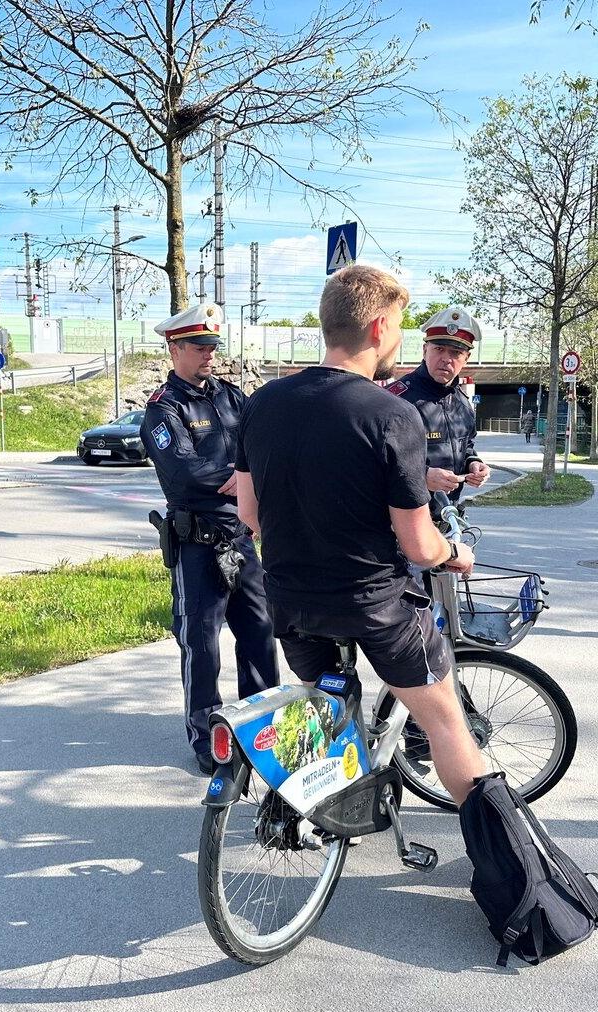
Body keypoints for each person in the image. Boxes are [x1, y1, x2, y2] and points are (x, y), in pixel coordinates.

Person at [235, 266, 485, 806]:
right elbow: (419, 546)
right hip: (372, 603)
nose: (398, 337)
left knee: (325, 706)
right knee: (445, 723)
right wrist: (453, 553)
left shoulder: (260, 404)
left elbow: (251, 517)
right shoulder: (392, 414)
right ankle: (503, 857)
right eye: (397, 324)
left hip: (289, 600)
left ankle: (316, 813)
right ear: (377, 327)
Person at [140, 302, 279, 776]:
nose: (209, 355)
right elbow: (182, 470)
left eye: (212, 346)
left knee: (260, 633)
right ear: (174, 348)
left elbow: (263, 446)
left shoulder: (231, 397)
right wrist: (241, 477)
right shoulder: (163, 408)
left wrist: (250, 477)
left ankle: (263, 727)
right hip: (197, 545)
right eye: (200, 347)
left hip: (242, 538)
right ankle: (207, 738)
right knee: (202, 643)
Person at [388, 306, 491, 510]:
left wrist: (473, 463)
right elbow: (376, 459)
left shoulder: (462, 402)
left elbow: (466, 444)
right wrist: (422, 477)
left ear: (466, 359)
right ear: (425, 350)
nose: (446, 358)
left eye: (455, 352)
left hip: (449, 516)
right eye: (439, 349)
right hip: (403, 521)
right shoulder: (396, 399)